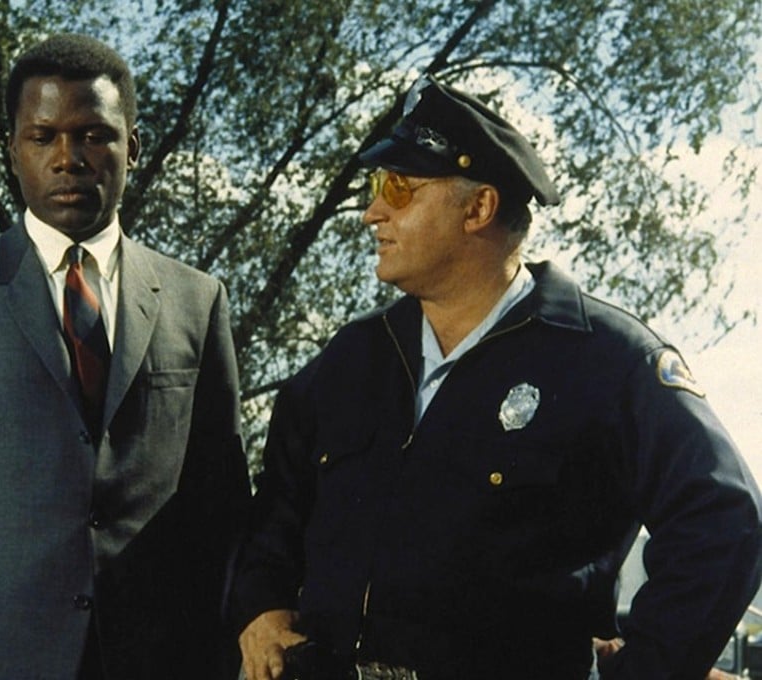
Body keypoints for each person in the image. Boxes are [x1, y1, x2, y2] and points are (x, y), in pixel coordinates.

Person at [228, 76, 762, 680]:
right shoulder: (353, 359)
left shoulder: (607, 362)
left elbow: (724, 520)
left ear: (478, 208)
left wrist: (643, 670)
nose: (372, 211)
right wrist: (262, 607)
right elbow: (277, 506)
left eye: (398, 188)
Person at [0, 33, 249, 679]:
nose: (69, 158)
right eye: (43, 137)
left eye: (94, 135)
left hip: (161, 656)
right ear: (13, 150)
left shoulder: (196, 301)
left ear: (133, 147)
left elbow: (223, 512)